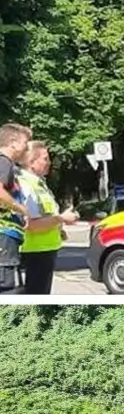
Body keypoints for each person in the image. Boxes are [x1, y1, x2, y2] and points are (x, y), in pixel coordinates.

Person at [17, 141, 77, 295]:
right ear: (31, 162)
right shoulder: (26, 185)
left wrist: (58, 228)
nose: (49, 162)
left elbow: (44, 214)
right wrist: (61, 219)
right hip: (33, 252)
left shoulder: (39, 183)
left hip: (43, 251)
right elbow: (31, 224)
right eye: (45, 158)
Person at [0, 124, 33, 293]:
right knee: (7, 289)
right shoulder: (3, 162)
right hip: (4, 240)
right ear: (13, 143)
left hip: (6, 240)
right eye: (25, 143)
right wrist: (20, 208)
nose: (27, 148)